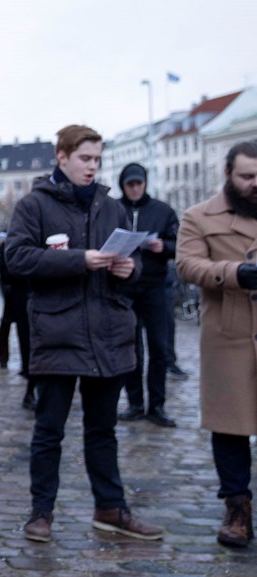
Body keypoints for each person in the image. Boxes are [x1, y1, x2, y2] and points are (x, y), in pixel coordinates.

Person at [5, 125, 163, 543]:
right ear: (62, 157)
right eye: (85, 159)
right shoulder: (34, 205)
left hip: (108, 333)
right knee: (49, 430)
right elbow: (17, 259)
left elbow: (132, 265)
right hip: (57, 332)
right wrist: (80, 260)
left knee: (103, 430)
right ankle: (41, 512)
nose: (92, 167)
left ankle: (110, 508)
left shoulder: (110, 206)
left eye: (97, 159)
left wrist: (130, 270)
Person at [175, 140, 257, 547]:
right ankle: (237, 508)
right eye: (247, 176)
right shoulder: (199, 216)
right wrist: (234, 272)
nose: (255, 183)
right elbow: (187, 263)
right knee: (230, 425)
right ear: (227, 175)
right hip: (230, 332)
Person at [115, 162, 179, 427]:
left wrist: (163, 246)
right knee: (132, 348)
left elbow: (180, 246)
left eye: (138, 183)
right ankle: (135, 402)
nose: (134, 188)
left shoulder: (162, 211)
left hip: (155, 286)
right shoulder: (115, 209)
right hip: (126, 286)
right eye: (130, 184)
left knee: (159, 347)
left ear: (144, 183)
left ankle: (157, 404)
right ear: (123, 185)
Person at [0, 234, 36, 410]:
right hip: (17, 296)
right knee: (21, 333)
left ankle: (30, 380)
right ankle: (24, 370)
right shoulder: (13, 245)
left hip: (29, 295)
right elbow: (6, 269)